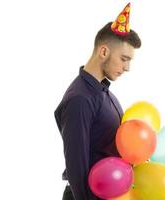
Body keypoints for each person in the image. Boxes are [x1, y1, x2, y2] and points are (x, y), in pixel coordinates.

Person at [54, 3, 141, 200]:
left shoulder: (103, 93)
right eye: (124, 59)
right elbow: (77, 168)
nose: (127, 68)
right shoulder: (80, 99)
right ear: (103, 52)